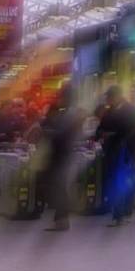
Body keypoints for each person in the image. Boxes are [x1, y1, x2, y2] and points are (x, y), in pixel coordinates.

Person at [41, 83, 83, 232]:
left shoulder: (68, 114)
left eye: (61, 95)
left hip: (61, 156)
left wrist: (49, 132)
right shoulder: (69, 113)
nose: (59, 98)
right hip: (63, 155)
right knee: (60, 187)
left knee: (60, 188)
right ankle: (61, 219)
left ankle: (61, 220)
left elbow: (61, 135)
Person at [96, 85, 135, 226]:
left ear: (117, 97)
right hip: (111, 152)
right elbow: (99, 129)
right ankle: (119, 212)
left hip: (126, 152)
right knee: (114, 182)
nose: (107, 100)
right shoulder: (108, 112)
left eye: (109, 97)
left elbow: (134, 131)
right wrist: (101, 134)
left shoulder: (131, 110)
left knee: (123, 182)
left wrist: (114, 134)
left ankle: (122, 213)